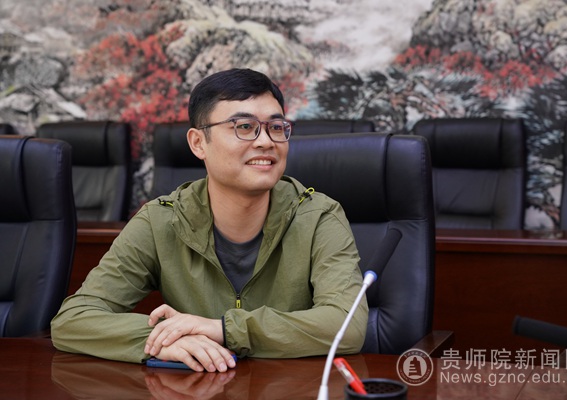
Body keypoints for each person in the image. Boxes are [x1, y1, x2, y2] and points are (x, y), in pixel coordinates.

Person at [51, 68, 368, 373]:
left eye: (276, 127)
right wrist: (161, 340)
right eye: (244, 126)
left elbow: (347, 324)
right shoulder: (160, 221)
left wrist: (223, 330)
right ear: (198, 143)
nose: (265, 141)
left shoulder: (319, 216)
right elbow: (73, 320)